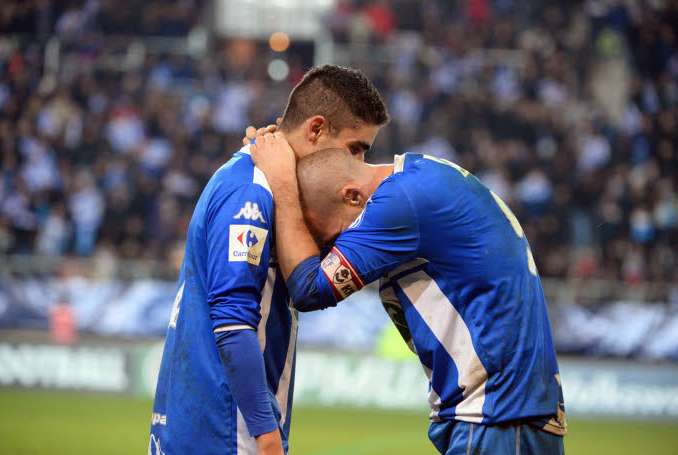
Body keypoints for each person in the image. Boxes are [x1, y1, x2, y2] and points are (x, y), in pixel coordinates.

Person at [250, 135, 567, 454]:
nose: (332, 249)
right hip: (509, 415)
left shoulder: (400, 202)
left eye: (332, 236)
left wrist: (284, 190)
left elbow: (309, 290)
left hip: (497, 416)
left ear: (352, 197)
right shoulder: (421, 178)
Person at [149, 65, 389, 455]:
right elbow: (232, 322)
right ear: (315, 130)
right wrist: (267, 437)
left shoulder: (272, 186)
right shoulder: (251, 192)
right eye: (355, 148)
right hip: (226, 434)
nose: (358, 164)